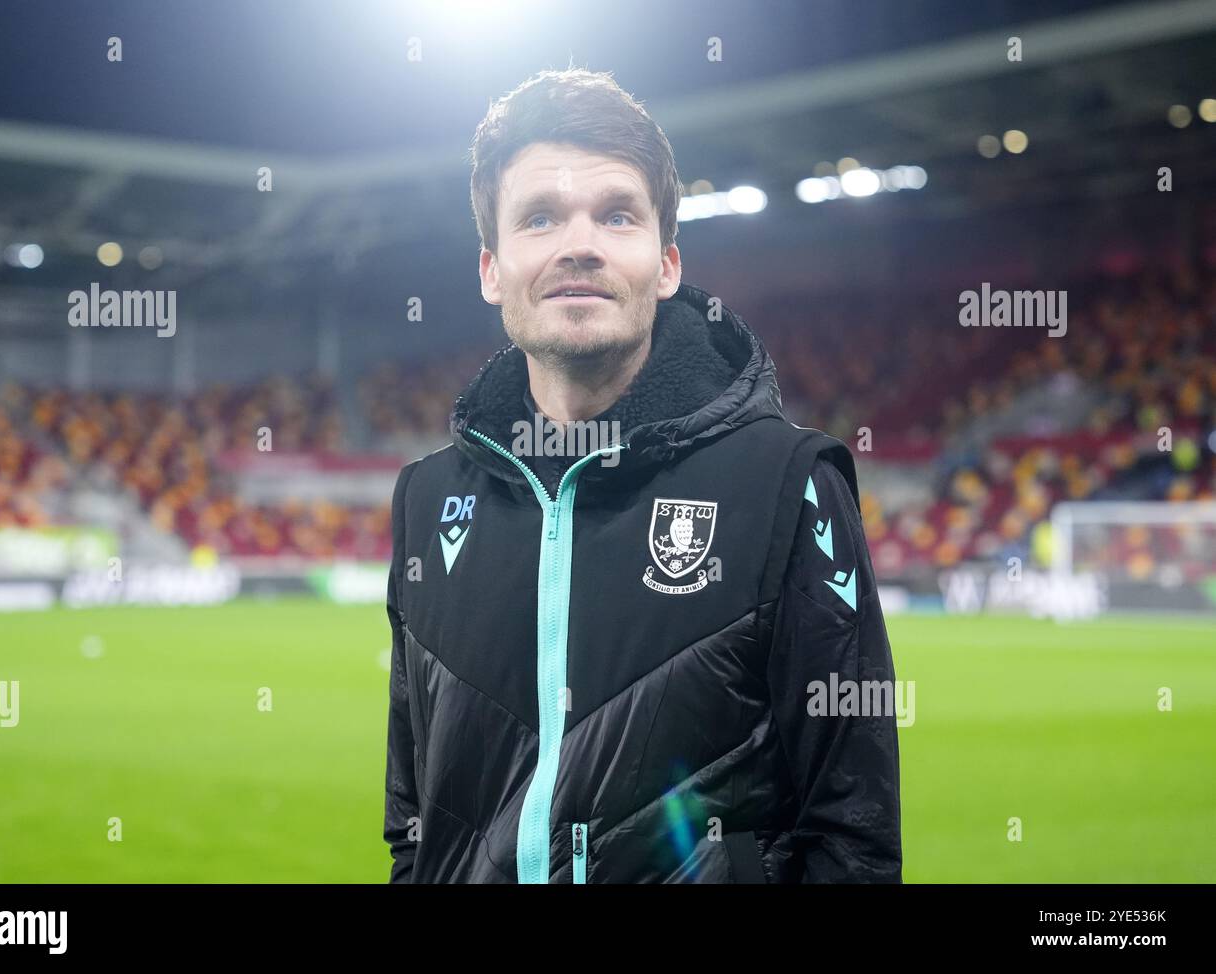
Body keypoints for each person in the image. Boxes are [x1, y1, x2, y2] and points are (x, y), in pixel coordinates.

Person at [383, 67, 901, 883]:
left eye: (617, 214)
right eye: (540, 217)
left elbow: (853, 839)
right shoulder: (428, 499)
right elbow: (415, 829)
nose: (578, 243)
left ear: (666, 264)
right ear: (492, 269)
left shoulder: (786, 481)